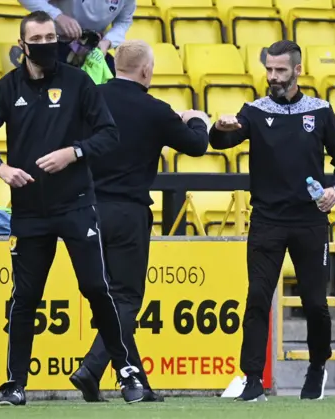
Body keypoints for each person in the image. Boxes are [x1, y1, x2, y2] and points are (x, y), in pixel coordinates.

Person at [0, 11, 145, 406]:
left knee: (97, 288)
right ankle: (15, 384)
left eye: (52, 37)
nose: (48, 44)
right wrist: (1, 168)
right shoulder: (8, 88)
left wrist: (73, 152)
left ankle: (127, 373)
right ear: (23, 43)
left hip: (77, 205)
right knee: (25, 297)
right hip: (29, 211)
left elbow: (108, 135)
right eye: (39, 38)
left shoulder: (78, 82)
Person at [210, 40, 335, 402]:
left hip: (309, 220)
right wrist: (220, 126)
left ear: (297, 70)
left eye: (280, 70)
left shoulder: (320, 111)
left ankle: (317, 365)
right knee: (257, 297)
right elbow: (221, 142)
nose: (272, 76)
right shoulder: (255, 111)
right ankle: (253, 377)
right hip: (267, 220)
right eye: (269, 69)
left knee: (314, 304)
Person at [68, 39, 209, 403]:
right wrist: (197, 120)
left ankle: (137, 383)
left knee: (110, 300)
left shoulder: (90, 98)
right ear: (146, 70)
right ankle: (92, 367)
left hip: (86, 210)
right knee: (126, 299)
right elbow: (196, 146)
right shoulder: (155, 109)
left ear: (116, 67)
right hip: (128, 212)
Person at [18, 0, 136, 75]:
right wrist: (58, 16)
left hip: (93, 49)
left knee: (116, 82)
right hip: (56, 43)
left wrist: (108, 41)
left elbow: (124, 21)